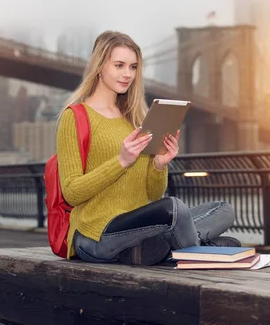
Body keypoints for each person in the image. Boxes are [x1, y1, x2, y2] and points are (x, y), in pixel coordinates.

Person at [56, 30, 240, 265]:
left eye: (133, 67)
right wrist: (121, 161)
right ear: (99, 66)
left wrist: (159, 164)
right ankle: (199, 250)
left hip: (143, 229)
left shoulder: (136, 119)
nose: (127, 74)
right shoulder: (76, 116)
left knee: (223, 209)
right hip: (98, 235)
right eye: (119, 65)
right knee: (174, 209)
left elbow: (153, 195)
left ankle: (159, 249)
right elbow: (71, 193)